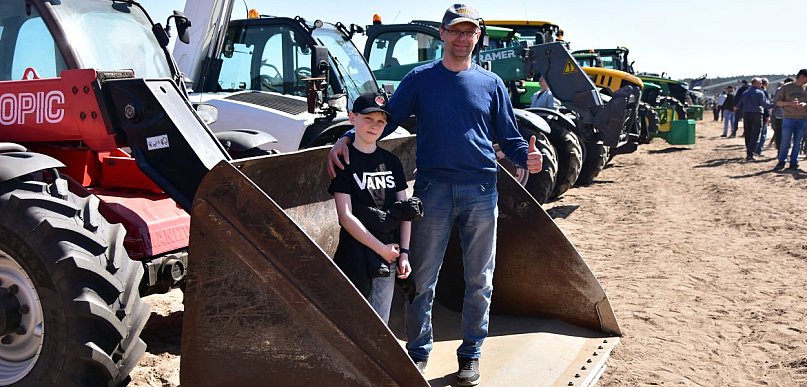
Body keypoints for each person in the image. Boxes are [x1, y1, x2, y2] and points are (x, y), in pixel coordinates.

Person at [327, 4, 543, 385]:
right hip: (432, 190)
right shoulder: (420, 79)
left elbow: (508, 135)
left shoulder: (491, 84)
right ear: (442, 35)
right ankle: (418, 352)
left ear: (478, 37)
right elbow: (384, 118)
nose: (462, 38)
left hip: (480, 189)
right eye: (455, 31)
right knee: (422, 276)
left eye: (469, 32)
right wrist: (345, 137)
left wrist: (526, 154)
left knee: (480, 278)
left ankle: (471, 353)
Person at [328, 91, 414, 324]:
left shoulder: (392, 162)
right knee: (355, 323)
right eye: (367, 118)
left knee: (380, 323)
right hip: (355, 255)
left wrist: (403, 253)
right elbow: (345, 216)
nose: (374, 126)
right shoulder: (343, 160)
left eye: (380, 121)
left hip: (388, 256)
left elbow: (405, 210)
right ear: (352, 118)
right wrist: (380, 249)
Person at [773, 69, 807, 171]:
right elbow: (778, 102)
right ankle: (781, 161)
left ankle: (794, 162)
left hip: (802, 118)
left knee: (798, 142)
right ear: (802, 77)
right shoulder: (786, 87)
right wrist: (790, 103)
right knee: (785, 141)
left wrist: (804, 104)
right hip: (788, 118)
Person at [735, 78, 768, 161]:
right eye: (760, 83)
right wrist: (774, 105)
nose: (761, 85)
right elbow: (764, 104)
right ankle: (751, 153)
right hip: (756, 114)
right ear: (756, 83)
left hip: (746, 114)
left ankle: (748, 153)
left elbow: (739, 104)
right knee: (755, 134)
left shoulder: (745, 93)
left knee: (748, 134)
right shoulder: (760, 92)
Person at [770, 78, 793, 152]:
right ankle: (786, 150)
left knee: (779, 133)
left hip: (779, 115)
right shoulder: (794, 90)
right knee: (788, 134)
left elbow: (775, 102)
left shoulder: (779, 89)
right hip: (790, 115)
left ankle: (780, 150)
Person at [754, 78, 771, 156]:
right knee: (763, 134)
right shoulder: (764, 92)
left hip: (755, 114)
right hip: (763, 115)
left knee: (756, 133)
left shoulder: (755, 92)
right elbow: (766, 105)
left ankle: (753, 149)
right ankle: (758, 150)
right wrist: (767, 116)